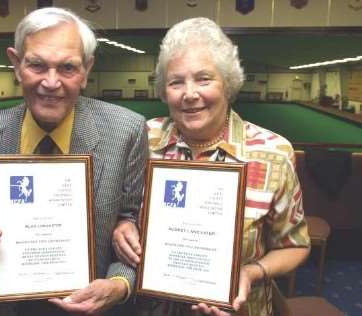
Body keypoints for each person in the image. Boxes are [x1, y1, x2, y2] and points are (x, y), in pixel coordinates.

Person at [0, 7, 147, 316]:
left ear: (86, 71)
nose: (51, 82)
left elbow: (134, 224)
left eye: (68, 68)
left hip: (98, 308)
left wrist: (118, 283)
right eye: (37, 65)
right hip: (11, 307)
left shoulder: (126, 133)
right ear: (17, 65)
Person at [112, 17, 310, 316]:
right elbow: (115, 209)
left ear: (228, 84)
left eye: (204, 79)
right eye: (176, 82)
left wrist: (252, 272)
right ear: (165, 91)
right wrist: (121, 224)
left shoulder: (273, 153)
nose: (189, 94)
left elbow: (295, 245)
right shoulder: (141, 138)